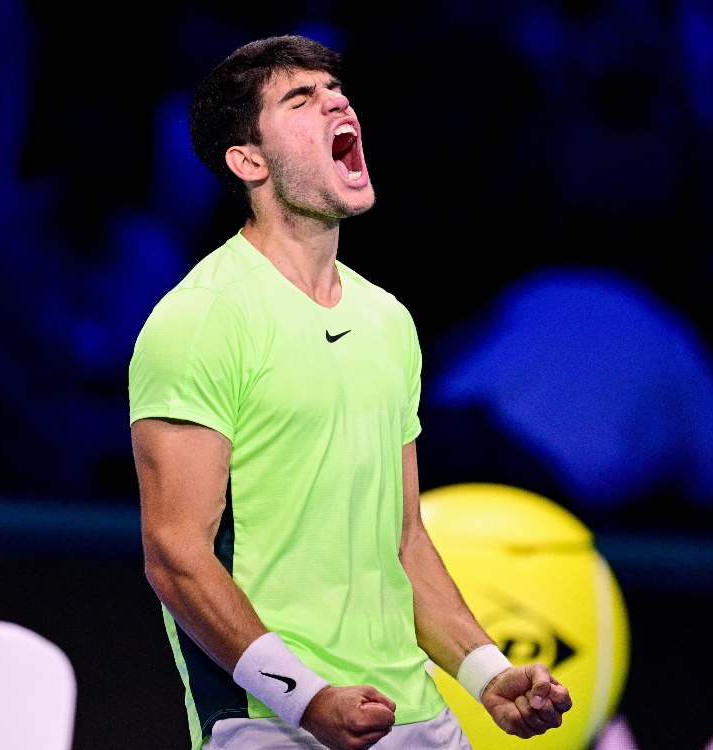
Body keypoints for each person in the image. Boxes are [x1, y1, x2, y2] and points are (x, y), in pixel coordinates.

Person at [128, 36, 572, 750]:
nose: (336, 100)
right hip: (271, 724)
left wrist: (488, 674)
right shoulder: (200, 318)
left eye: (334, 90)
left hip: (416, 718)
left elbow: (401, 539)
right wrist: (307, 700)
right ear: (249, 162)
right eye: (300, 99)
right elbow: (175, 553)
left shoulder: (388, 320)